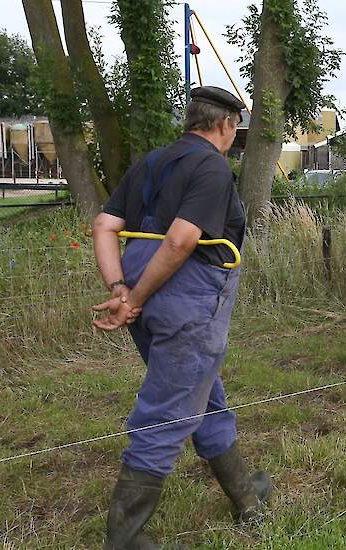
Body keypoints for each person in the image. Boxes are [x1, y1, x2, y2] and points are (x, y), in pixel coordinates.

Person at [91, 86, 272, 549]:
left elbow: (105, 226)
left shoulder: (153, 161)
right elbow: (179, 241)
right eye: (237, 128)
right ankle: (124, 538)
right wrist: (135, 298)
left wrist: (120, 288)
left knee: (202, 390)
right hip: (182, 295)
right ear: (225, 125)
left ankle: (246, 498)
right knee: (167, 408)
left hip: (142, 282)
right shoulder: (211, 166)